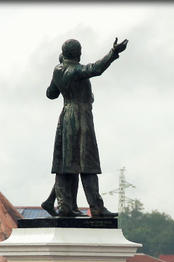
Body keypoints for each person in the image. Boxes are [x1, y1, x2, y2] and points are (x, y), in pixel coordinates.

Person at [47, 37, 127, 218]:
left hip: (65, 117)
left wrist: (60, 81)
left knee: (65, 163)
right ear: (77, 53)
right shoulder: (75, 70)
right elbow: (96, 69)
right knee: (87, 163)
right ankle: (96, 206)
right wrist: (113, 53)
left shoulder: (58, 70)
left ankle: (65, 205)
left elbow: (51, 94)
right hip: (81, 116)